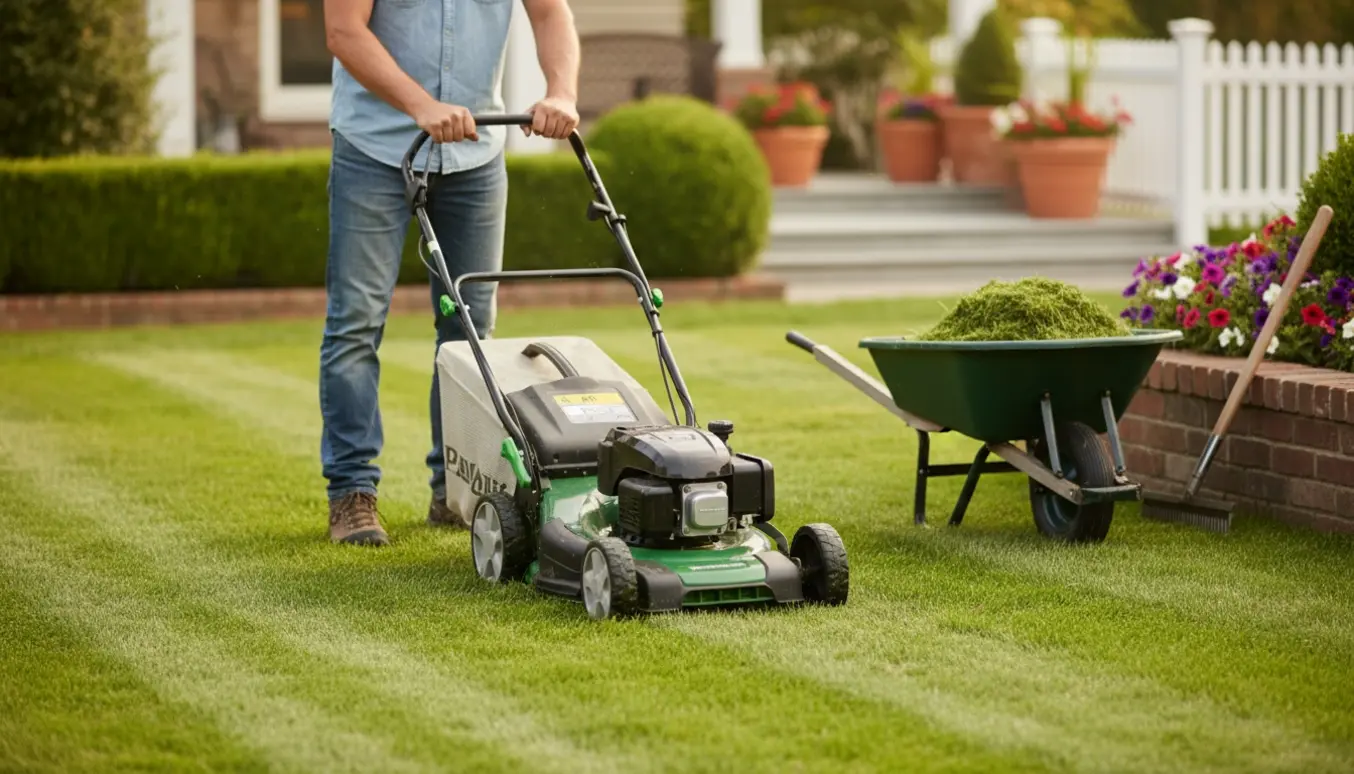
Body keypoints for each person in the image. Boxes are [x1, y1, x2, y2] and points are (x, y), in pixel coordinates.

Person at [320, 0, 580, 546]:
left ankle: (455, 489)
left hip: (476, 154)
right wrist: (422, 105)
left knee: (470, 330)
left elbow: (552, 14)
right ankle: (352, 494)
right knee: (357, 324)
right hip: (375, 149)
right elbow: (344, 32)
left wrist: (561, 91)